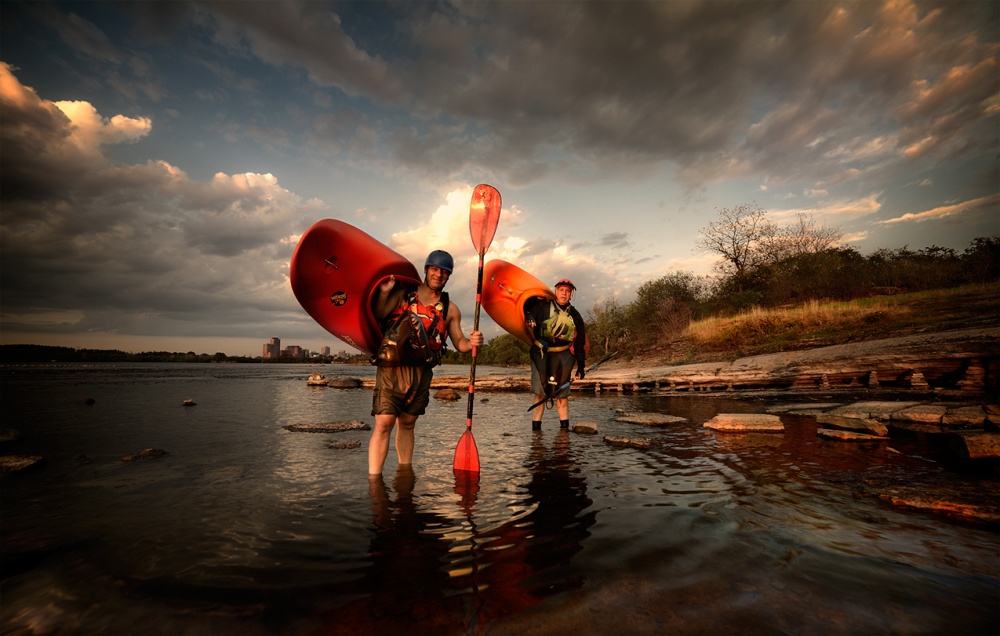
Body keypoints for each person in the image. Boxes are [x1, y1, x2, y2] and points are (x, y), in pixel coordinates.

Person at [368, 249, 483, 476]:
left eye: (444, 272)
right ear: (426, 270)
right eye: (434, 269)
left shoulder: (451, 309)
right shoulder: (403, 294)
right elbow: (380, 314)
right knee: (384, 422)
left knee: (408, 423)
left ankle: (404, 474)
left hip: (422, 372)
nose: (438, 275)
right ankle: (374, 482)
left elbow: (459, 341)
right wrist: (383, 293)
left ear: (448, 276)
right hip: (392, 367)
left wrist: (472, 343)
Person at [524, 278, 586, 431]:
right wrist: (529, 316)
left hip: (563, 356)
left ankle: (564, 434)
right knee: (540, 394)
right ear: (556, 292)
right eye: (561, 290)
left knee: (561, 397)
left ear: (571, 295)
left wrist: (581, 367)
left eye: (567, 291)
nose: (564, 294)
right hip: (542, 354)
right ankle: (536, 435)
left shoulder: (576, 316)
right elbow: (528, 308)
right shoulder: (542, 307)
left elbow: (580, 343)